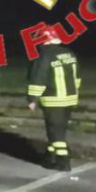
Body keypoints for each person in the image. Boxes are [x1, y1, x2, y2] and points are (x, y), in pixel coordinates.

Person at [26, 26, 80, 171]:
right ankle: (49, 157)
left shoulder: (44, 55)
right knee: (58, 129)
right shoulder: (69, 53)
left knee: (55, 132)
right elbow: (77, 78)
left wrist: (32, 100)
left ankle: (63, 161)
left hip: (53, 99)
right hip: (70, 99)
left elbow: (38, 78)